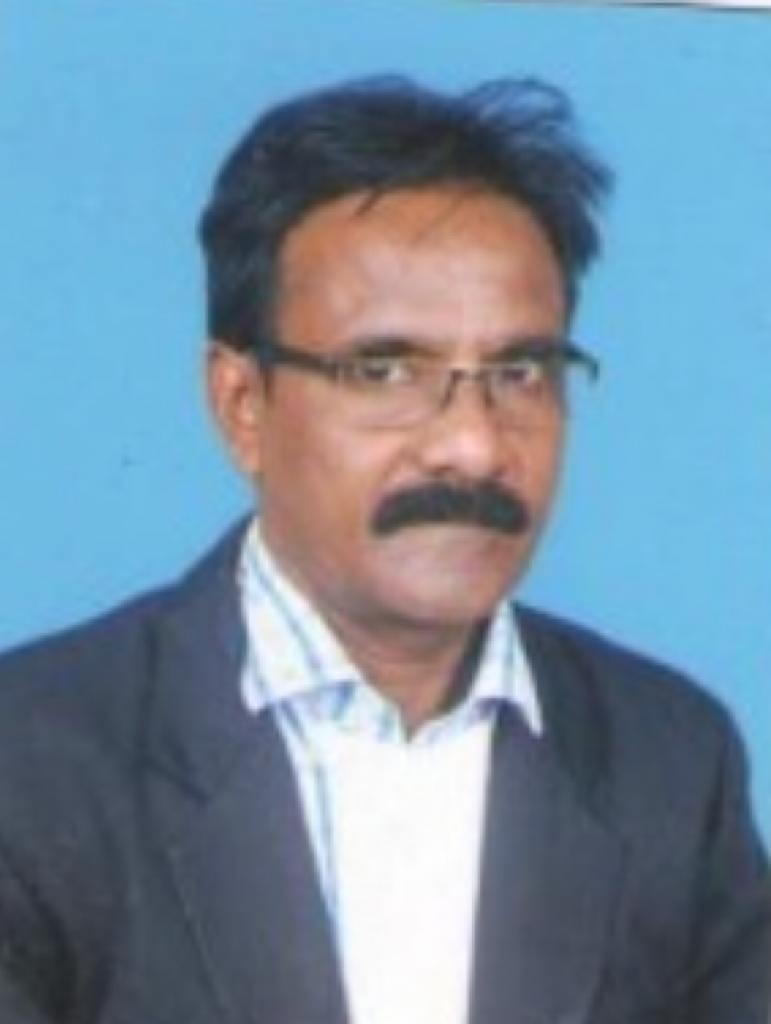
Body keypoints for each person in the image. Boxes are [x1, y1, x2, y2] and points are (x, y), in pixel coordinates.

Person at [0, 75, 767, 1024]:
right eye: (387, 370)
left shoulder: (670, 758)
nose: (474, 446)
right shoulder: (32, 760)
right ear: (241, 406)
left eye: (519, 372)